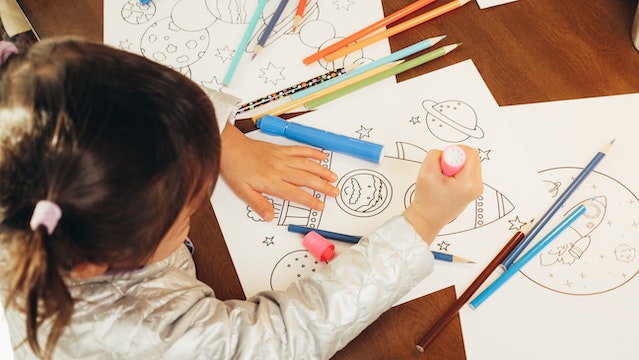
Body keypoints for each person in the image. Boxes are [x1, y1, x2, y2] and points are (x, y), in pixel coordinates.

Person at [0, 37, 483, 359]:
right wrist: (419, 224)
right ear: (98, 261)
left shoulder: (21, 103)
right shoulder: (143, 336)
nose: (202, 200)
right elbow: (283, 340)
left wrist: (223, 140)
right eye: (189, 207)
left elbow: (128, 100)